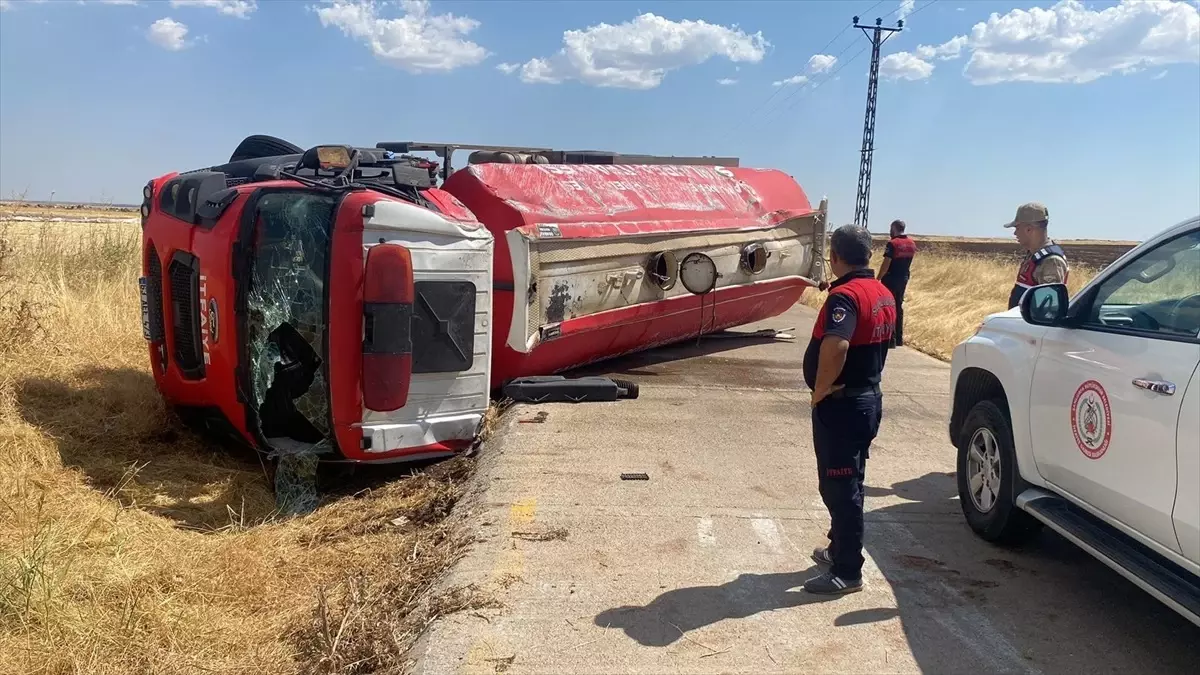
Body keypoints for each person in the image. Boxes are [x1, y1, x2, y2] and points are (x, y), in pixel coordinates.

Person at [802, 224, 896, 595]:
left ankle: (847, 570)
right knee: (851, 479)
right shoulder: (883, 292)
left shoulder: (845, 297)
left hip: (843, 405)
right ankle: (839, 548)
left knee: (840, 487)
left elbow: (837, 345)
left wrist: (820, 389)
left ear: (835, 257)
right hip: (868, 398)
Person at [1005, 202, 1069, 309]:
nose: (1015, 233)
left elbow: (1049, 309)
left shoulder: (1050, 261)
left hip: (1031, 325)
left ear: (1029, 229)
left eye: (1017, 228)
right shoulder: (1034, 255)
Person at [877, 219, 916, 348]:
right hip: (903, 278)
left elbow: (886, 264)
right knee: (898, 306)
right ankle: (899, 339)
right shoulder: (911, 244)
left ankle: (890, 340)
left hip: (890, 279)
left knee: (889, 307)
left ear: (894, 228)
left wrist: (878, 278)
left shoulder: (892, 244)